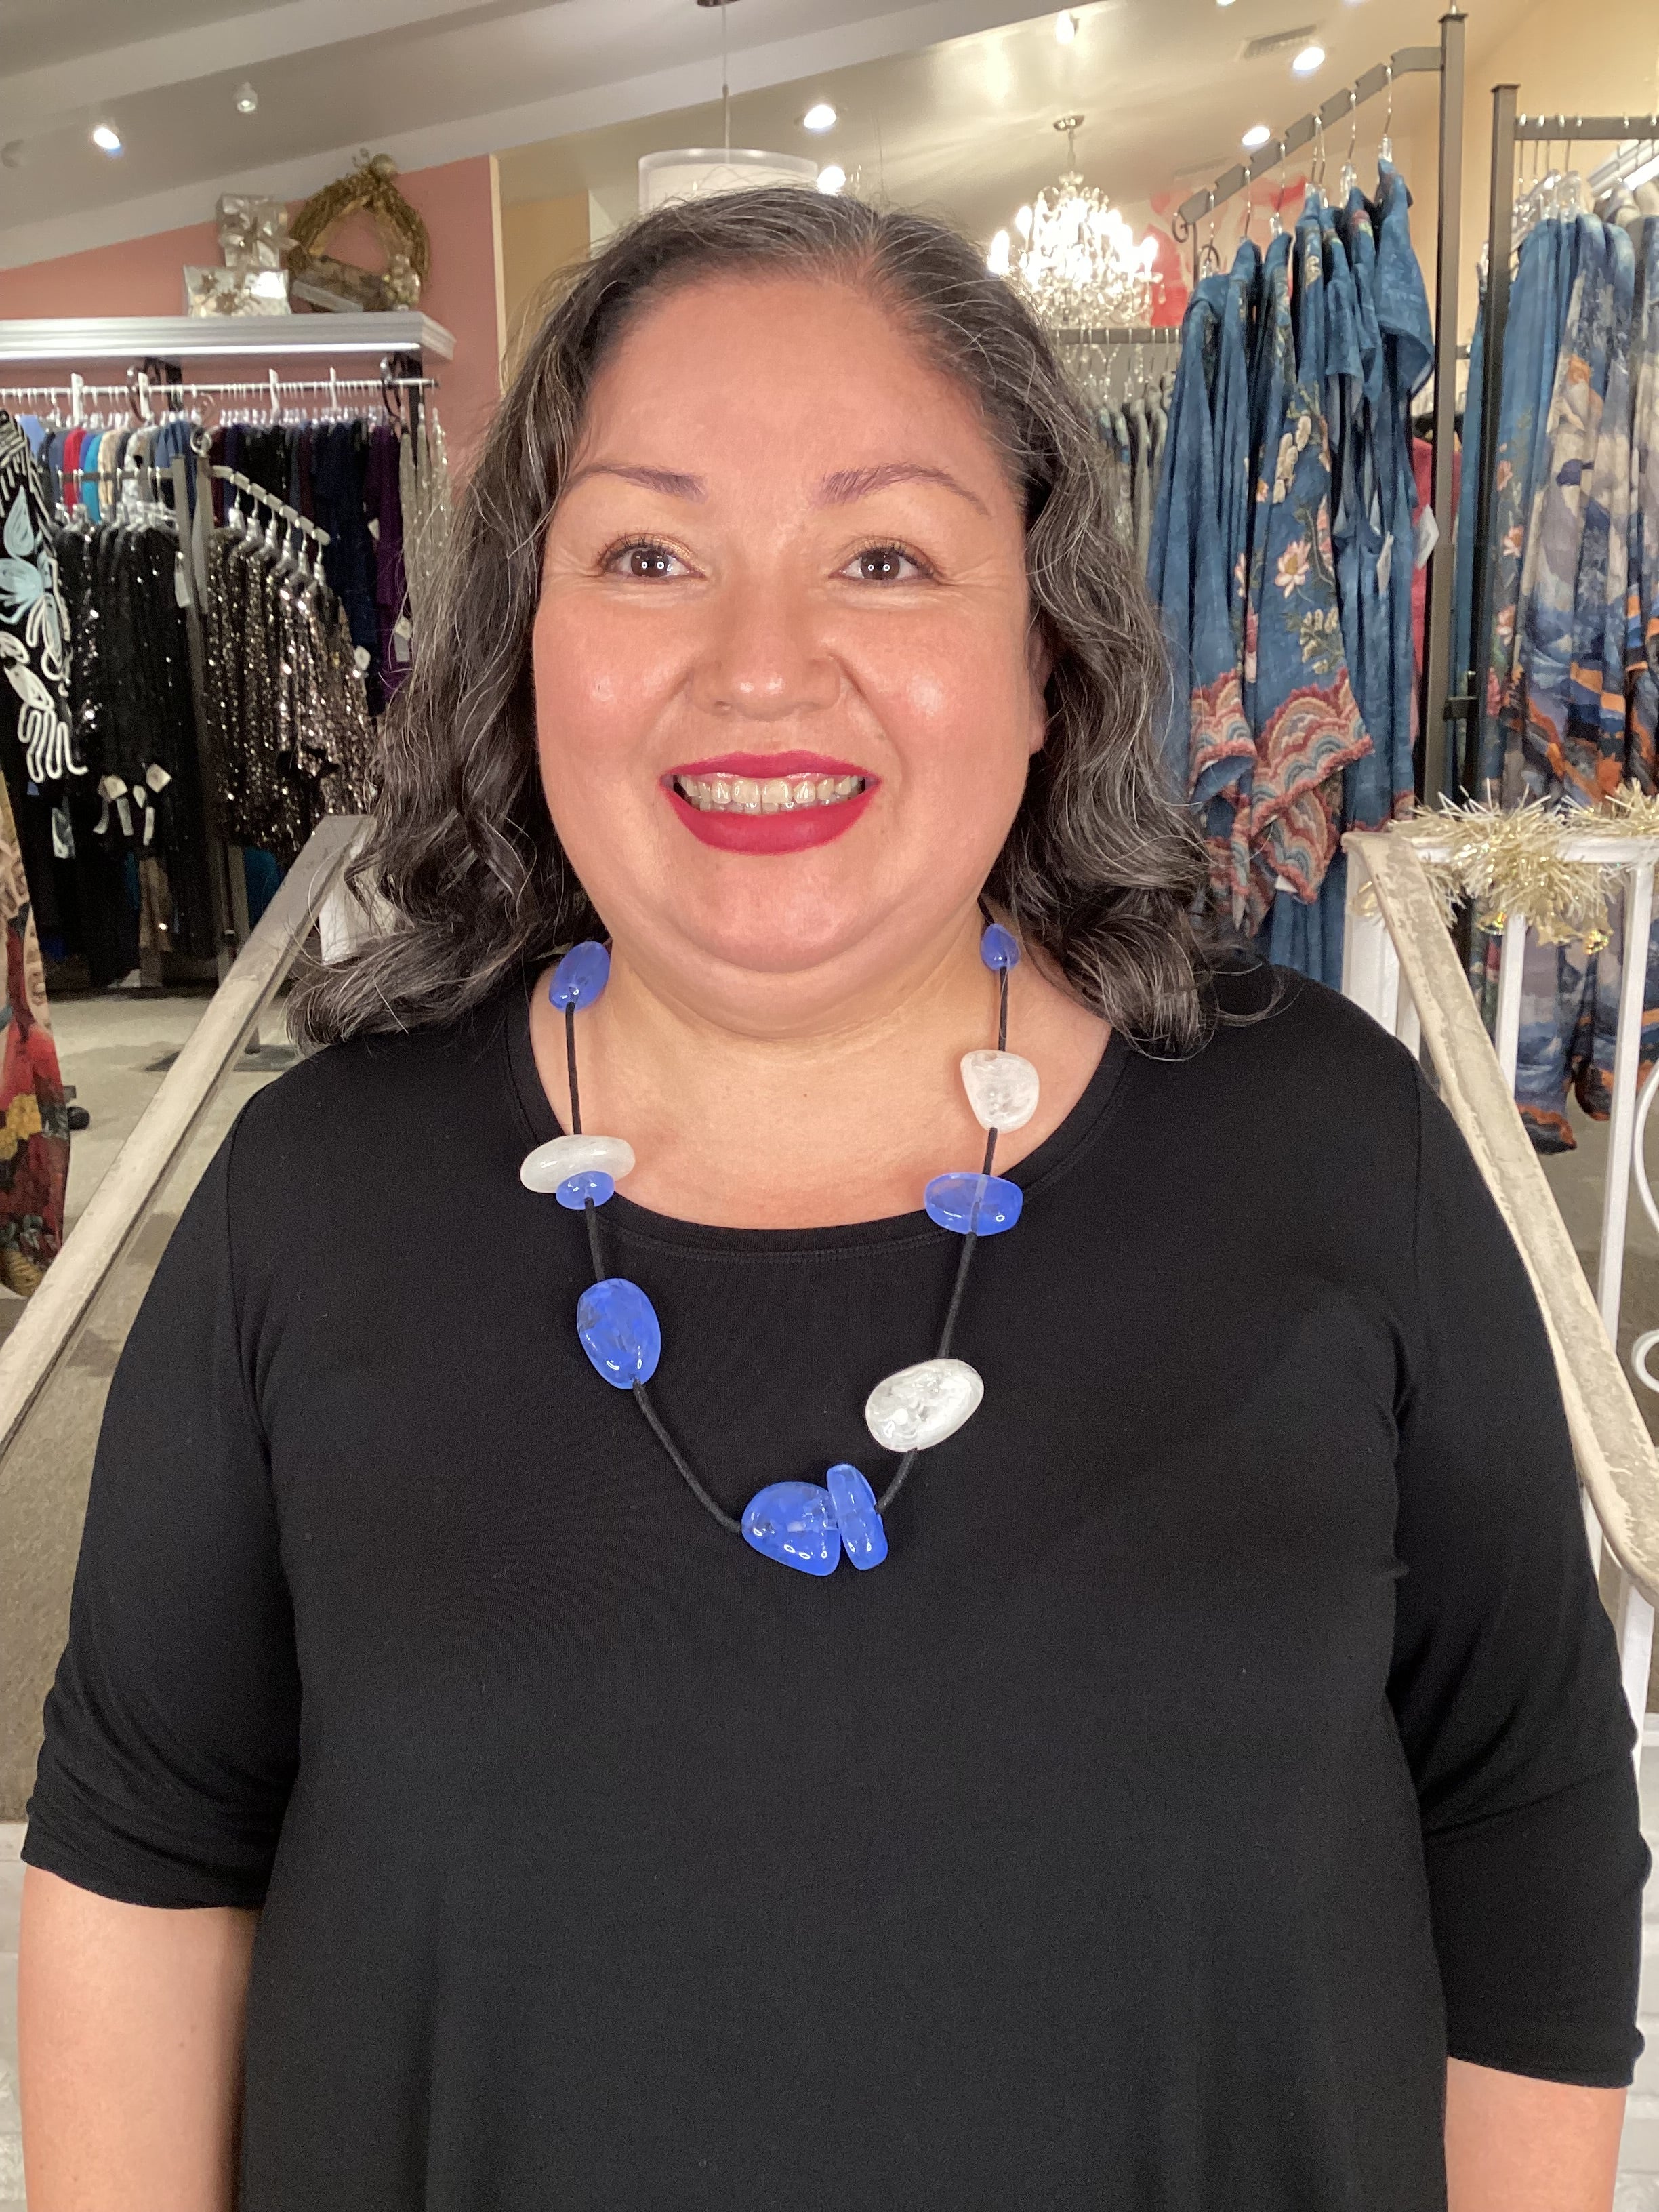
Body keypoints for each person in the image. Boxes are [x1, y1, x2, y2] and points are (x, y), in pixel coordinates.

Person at [17, 189, 1646, 2212]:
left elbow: (1525, 1812)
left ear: (1047, 652)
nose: (761, 668)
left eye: (884, 556)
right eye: (648, 554)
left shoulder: (1333, 1146)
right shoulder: (309, 1202)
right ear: (528, 648)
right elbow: (148, 1861)